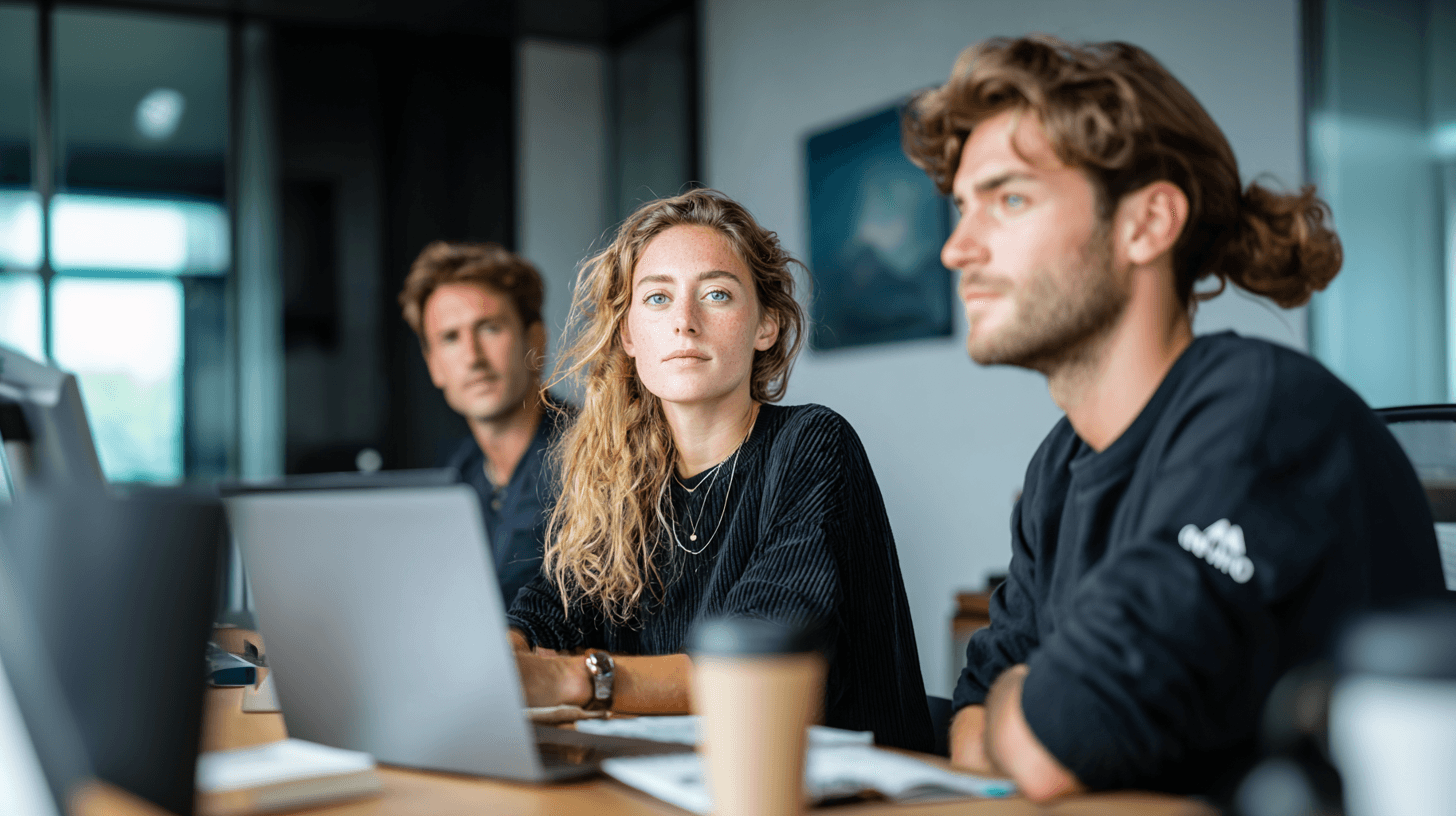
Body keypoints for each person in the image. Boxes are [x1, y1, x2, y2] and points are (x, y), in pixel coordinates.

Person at [901, 35, 1446, 800]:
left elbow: (1063, 742)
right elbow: (972, 726)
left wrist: (1027, 711)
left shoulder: (1262, 414)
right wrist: (1025, 707)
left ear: (1148, 222)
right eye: (963, 209)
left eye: (1010, 199)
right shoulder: (1058, 465)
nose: (957, 249)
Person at [505, 188, 934, 752]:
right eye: (657, 298)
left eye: (716, 294)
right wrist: (504, 658)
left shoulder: (813, 444)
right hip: (677, 781)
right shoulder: (618, 477)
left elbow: (754, 668)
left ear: (766, 325)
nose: (684, 322)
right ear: (629, 335)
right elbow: (548, 611)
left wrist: (572, 678)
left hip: (839, 786)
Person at [398, 241, 570, 608]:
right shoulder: (456, 476)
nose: (472, 357)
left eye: (490, 328)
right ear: (434, 366)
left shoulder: (598, 458)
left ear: (535, 341)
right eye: (450, 338)